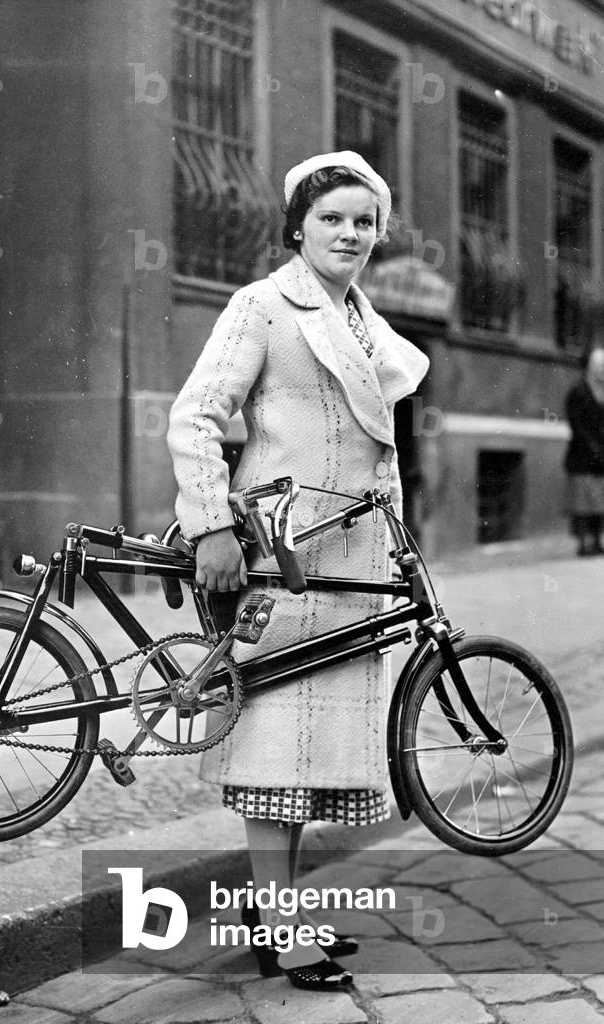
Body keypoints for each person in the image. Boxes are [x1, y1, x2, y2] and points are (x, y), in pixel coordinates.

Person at [167, 151, 430, 990]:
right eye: (332, 219)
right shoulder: (262, 305)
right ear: (297, 228)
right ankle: (281, 929)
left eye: (362, 221)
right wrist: (210, 525)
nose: (349, 233)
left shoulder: (362, 322)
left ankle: (276, 910)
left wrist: (398, 544)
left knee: (317, 750)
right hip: (280, 555)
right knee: (276, 744)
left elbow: (376, 448)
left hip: (349, 560)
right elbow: (197, 414)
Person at [564, 346, 604, 556]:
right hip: (582, 455)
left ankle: (597, 540)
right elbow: (576, 423)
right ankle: (583, 543)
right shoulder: (578, 391)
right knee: (582, 503)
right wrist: (592, 445)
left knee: (599, 502)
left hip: (601, 459)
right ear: (589, 368)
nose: (601, 371)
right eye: (598, 366)